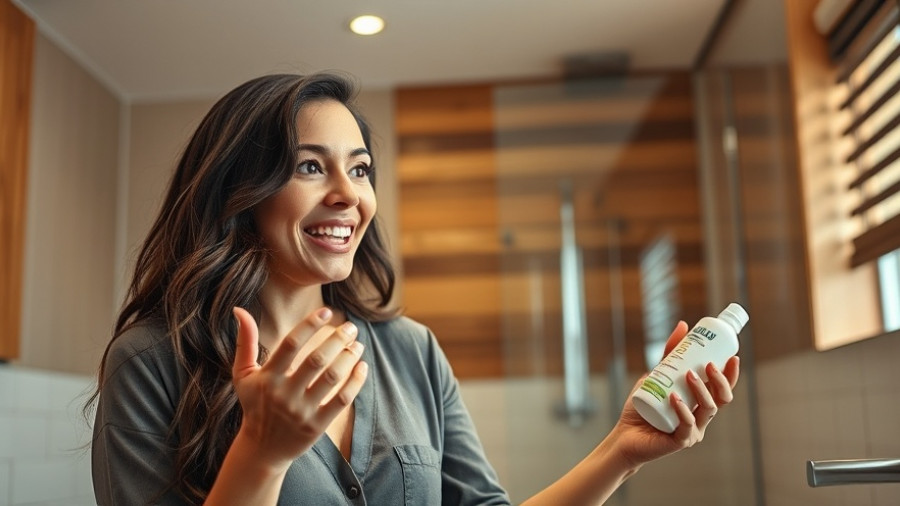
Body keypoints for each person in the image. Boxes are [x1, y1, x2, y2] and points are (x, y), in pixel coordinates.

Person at [88, 72, 741, 505]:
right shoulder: (152, 363)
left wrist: (621, 450)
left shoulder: (410, 352)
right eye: (310, 166)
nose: (349, 195)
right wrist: (260, 453)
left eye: (361, 168)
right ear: (238, 192)